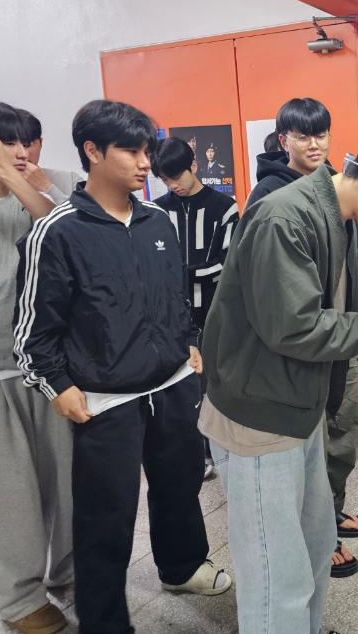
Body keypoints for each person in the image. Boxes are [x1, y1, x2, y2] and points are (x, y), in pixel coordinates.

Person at [199, 124, 358, 633]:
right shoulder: (285, 217)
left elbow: (338, 300)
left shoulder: (337, 214)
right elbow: (292, 326)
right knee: (276, 572)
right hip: (259, 417)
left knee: (312, 547)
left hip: (300, 406)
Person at [13, 100, 232, 634]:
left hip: (174, 382)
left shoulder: (157, 220)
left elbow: (175, 295)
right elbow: (31, 331)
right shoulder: (57, 231)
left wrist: (188, 343)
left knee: (180, 485)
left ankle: (181, 568)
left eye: (147, 151)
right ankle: (106, 621)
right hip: (105, 398)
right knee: (106, 515)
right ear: (92, 151)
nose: (145, 163)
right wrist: (56, 385)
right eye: (131, 151)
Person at [243, 97, 358, 577]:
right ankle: (318, 537)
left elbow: (353, 265)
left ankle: (330, 514)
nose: (314, 143)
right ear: (284, 140)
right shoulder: (271, 196)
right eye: (302, 135)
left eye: (321, 133)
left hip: (340, 333)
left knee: (342, 431)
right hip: (303, 346)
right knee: (309, 445)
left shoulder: (334, 185)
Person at [0, 100, 69, 634]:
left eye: (24, 141)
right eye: (4, 141)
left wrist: (21, 183)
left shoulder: (46, 187)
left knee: (69, 482)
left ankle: (71, 574)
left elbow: (72, 235)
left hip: (51, 364)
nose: (19, 151)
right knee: (7, 492)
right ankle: (19, 599)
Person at [152, 136, 240, 480]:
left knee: (215, 383)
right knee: (180, 387)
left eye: (177, 176)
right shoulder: (157, 211)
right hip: (171, 316)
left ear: (193, 165)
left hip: (215, 312)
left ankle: (219, 449)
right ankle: (196, 453)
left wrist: (184, 273)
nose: (173, 185)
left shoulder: (224, 207)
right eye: (165, 179)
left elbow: (229, 264)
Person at [15, 108, 85, 203]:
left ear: (41, 143)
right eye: (10, 144)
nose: (22, 154)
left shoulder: (70, 180)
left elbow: (86, 213)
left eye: (27, 144)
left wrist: (47, 188)